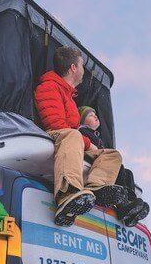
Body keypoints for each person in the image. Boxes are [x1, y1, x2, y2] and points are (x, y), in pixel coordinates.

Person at [34, 46, 128, 226]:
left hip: (72, 139)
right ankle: (67, 195)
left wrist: (88, 145)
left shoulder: (70, 96)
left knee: (111, 154)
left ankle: (97, 187)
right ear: (73, 68)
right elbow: (56, 124)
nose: (84, 70)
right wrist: (87, 144)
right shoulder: (48, 87)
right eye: (82, 65)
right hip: (56, 135)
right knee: (73, 136)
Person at [78, 106, 150, 226]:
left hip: (100, 157)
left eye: (95, 114)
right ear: (82, 121)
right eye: (90, 115)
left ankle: (130, 202)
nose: (95, 116)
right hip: (91, 155)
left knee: (127, 173)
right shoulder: (82, 130)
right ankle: (123, 202)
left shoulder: (96, 135)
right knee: (118, 167)